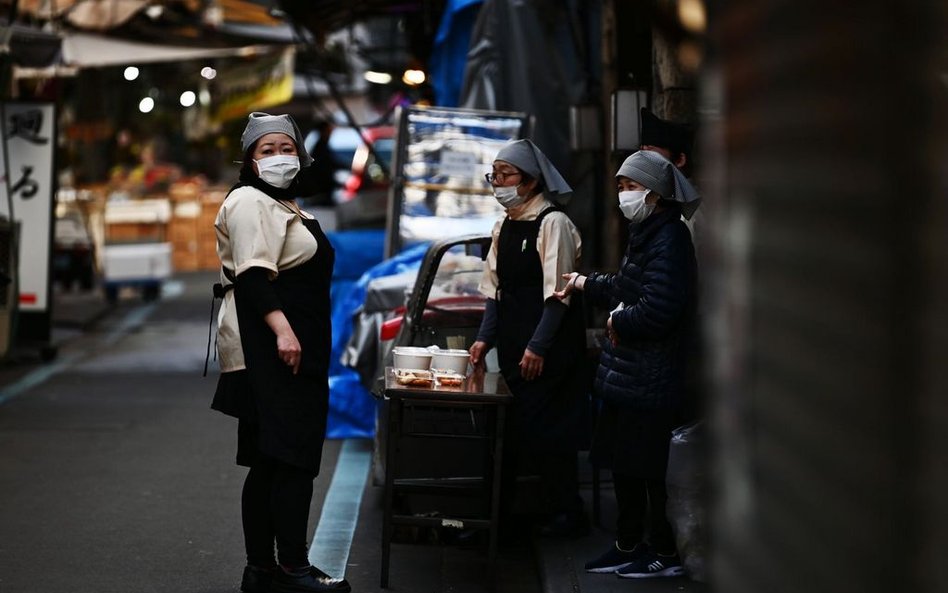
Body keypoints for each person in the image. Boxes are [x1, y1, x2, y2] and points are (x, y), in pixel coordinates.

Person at [211, 112, 350, 593]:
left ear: (300, 153)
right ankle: (292, 568)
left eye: (285, 147)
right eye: (265, 150)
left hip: (286, 343)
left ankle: (262, 571)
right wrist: (283, 332)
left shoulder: (283, 203)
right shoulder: (250, 201)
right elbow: (251, 274)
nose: (277, 157)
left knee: (272, 459)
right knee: (290, 458)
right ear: (249, 160)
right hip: (271, 345)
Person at [555, 149, 700, 578]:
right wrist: (587, 284)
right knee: (625, 464)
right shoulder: (647, 232)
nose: (624, 194)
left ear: (655, 193)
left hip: (654, 375)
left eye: (631, 186)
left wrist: (619, 317)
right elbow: (628, 284)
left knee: (650, 468)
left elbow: (658, 308)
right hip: (631, 373)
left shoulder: (670, 237)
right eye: (620, 187)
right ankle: (628, 542)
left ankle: (664, 551)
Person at [468, 138, 589, 537]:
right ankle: (505, 519)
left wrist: (538, 347)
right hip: (513, 346)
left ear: (531, 181)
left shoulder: (553, 222)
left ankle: (567, 515)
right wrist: (485, 339)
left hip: (549, 348)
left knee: (549, 433)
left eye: (505, 174)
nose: (497, 182)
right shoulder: (505, 223)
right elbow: (495, 290)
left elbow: (560, 294)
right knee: (513, 432)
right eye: (494, 174)